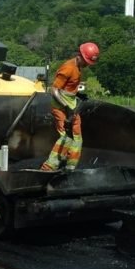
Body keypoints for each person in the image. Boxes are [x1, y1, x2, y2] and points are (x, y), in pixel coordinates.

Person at [40, 42, 99, 172]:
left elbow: (68, 88)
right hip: (61, 108)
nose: (88, 64)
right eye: (87, 61)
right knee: (66, 138)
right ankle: (48, 168)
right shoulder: (68, 68)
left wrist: (78, 94)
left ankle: (70, 168)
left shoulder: (78, 68)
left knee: (77, 138)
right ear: (80, 56)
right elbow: (54, 90)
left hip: (72, 107)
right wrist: (66, 108)